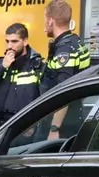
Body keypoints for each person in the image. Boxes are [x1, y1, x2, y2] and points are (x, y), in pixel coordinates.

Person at [38, 0, 91, 140]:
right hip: (73, 117)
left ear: (50, 21)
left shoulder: (64, 50)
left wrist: (55, 128)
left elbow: (64, 92)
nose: (44, 25)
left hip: (61, 124)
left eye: (45, 20)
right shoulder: (76, 42)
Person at [0, 23, 43, 132]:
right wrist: (3, 67)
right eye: (7, 41)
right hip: (0, 128)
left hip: (26, 130)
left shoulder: (37, 67)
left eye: (14, 41)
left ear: (25, 41)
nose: (9, 46)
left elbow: (44, 99)